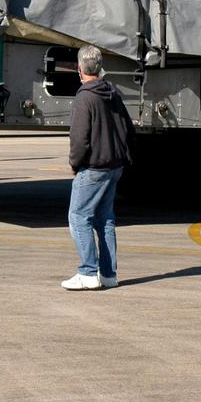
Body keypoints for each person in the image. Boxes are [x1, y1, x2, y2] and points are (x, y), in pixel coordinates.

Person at [62, 44, 134, 290]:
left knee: (78, 216)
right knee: (105, 219)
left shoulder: (85, 96)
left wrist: (75, 163)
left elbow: (79, 138)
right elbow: (128, 128)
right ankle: (108, 274)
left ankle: (88, 272)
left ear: (80, 69)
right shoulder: (112, 92)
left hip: (94, 167)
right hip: (114, 165)